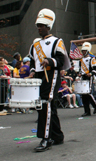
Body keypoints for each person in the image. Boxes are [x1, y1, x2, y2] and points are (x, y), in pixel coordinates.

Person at [29, 8, 70, 152]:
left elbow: (61, 61)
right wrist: (33, 71)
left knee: (45, 104)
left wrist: (49, 61)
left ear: (48, 26)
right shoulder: (35, 44)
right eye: (38, 25)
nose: (39, 28)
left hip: (51, 75)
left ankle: (46, 138)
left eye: (41, 25)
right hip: (40, 78)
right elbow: (33, 62)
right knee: (48, 107)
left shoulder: (57, 41)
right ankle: (57, 136)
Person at [78, 42, 96, 117]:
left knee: (88, 92)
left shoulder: (92, 59)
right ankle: (87, 111)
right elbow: (80, 69)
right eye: (82, 51)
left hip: (89, 77)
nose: (83, 52)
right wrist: (79, 73)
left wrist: (91, 73)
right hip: (83, 77)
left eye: (84, 51)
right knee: (84, 95)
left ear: (87, 51)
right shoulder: (81, 60)